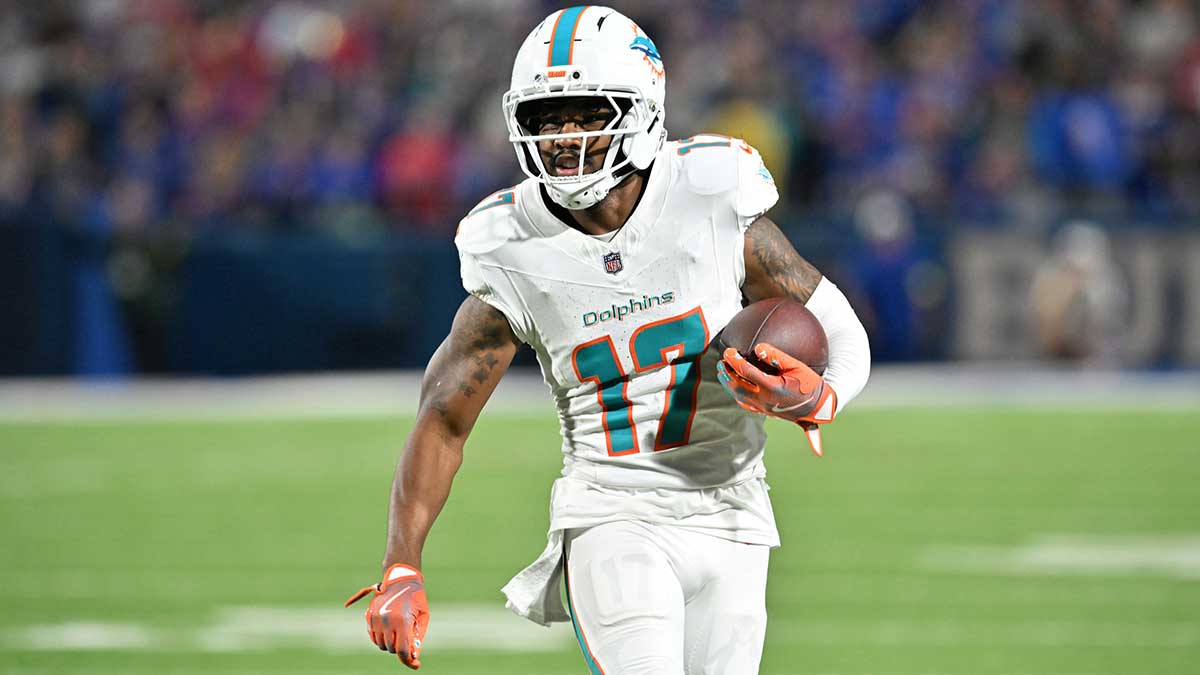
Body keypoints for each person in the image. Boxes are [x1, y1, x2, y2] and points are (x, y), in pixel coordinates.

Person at [346, 7, 871, 673]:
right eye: (547, 118)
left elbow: (840, 324)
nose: (563, 137)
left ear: (642, 106)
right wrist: (401, 562)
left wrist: (821, 399)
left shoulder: (710, 195)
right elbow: (443, 417)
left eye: (586, 113)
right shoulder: (512, 244)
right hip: (612, 512)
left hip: (736, 511)